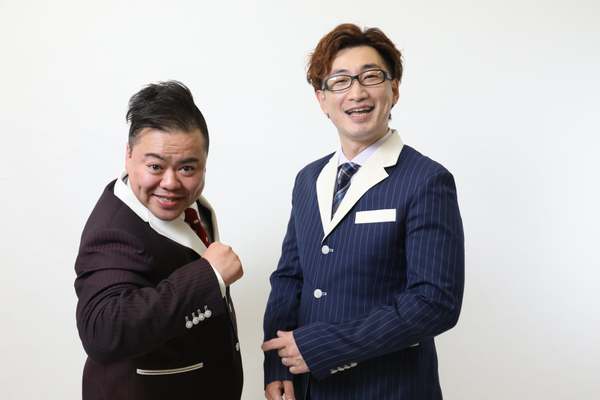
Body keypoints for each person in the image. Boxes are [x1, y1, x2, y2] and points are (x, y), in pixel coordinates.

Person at [262, 24, 464, 400]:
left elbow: (435, 302)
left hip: (391, 389)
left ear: (394, 89)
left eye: (370, 77)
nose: (356, 92)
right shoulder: (308, 179)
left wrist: (324, 346)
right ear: (322, 99)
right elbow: (290, 277)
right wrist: (277, 365)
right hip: (307, 389)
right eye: (340, 81)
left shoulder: (426, 180)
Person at [74, 81, 243, 399]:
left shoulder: (190, 205)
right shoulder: (113, 231)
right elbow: (102, 332)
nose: (170, 183)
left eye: (187, 168)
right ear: (128, 155)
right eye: (155, 166)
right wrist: (208, 276)